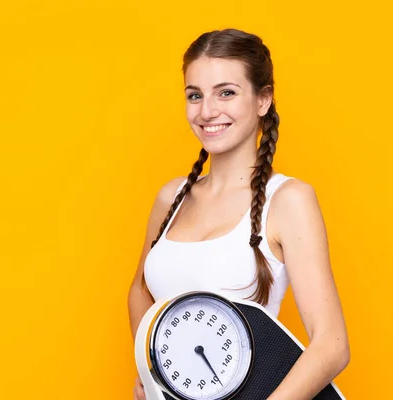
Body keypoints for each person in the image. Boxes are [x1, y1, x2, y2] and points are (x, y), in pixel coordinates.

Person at [127, 28, 350, 400]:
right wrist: (153, 373)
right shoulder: (172, 197)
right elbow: (140, 291)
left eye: (226, 92)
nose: (207, 111)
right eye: (194, 95)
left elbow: (332, 344)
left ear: (263, 100)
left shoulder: (289, 200)